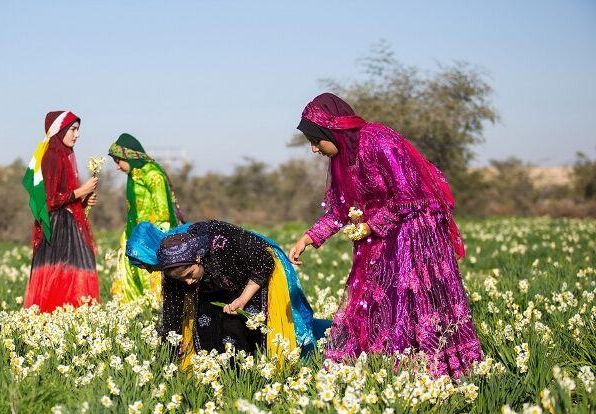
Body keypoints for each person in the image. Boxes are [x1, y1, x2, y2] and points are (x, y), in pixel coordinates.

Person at [288, 93, 482, 378]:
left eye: (316, 141)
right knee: (372, 299)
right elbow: (341, 209)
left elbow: (409, 193)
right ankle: (387, 369)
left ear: (333, 132)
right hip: (380, 235)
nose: (314, 149)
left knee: (412, 298)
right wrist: (308, 238)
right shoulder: (341, 163)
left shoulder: (378, 140)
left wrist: (370, 225)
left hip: (415, 231)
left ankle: (433, 368)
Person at [127, 220, 330, 367]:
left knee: (252, 324)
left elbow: (263, 262)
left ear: (197, 259)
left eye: (148, 265)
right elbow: (173, 312)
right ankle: (227, 371)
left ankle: (323, 341)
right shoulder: (173, 264)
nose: (150, 271)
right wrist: (169, 353)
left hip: (256, 268)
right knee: (209, 324)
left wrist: (242, 298)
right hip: (219, 278)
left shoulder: (219, 242)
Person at [22, 110, 99, 312]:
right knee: (61, 277)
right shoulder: (52, 157)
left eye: (77, 130)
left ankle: (70, 320)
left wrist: (84, 201)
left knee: (73, 275)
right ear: (60, 130)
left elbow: (64, 198)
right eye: (73, 129)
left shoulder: (64, 155)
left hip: (67, 225)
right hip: (57, 229)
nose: (77, 135)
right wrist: (82, 191)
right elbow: (50, 201)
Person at [108, 133, 184, 301]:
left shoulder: (152, 174)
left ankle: (154, 310)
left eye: (118, 161)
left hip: (151, 238)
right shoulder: (133, 174)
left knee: (152, 282)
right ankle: (135, 311)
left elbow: (163, 211)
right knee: (132, 282)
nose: (117, 167)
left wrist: (157, 241)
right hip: (134, 234)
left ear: (128, 156)